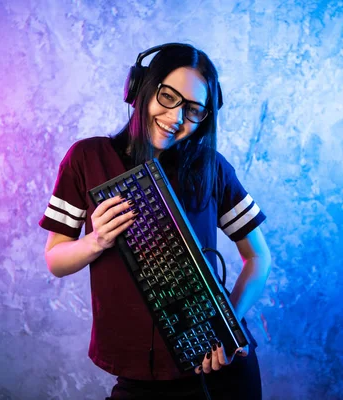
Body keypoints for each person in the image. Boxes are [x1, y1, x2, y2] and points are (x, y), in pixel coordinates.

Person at [39, 43, 271, 399]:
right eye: (167, 97)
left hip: (218, 370)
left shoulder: (212, 168)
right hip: (139, 377)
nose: (176, 118)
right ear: (141, 88)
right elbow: (55, 260)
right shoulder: (87, 159)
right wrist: (95, 241)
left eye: (193, 110)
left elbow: (258, 258)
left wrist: (226, 327)